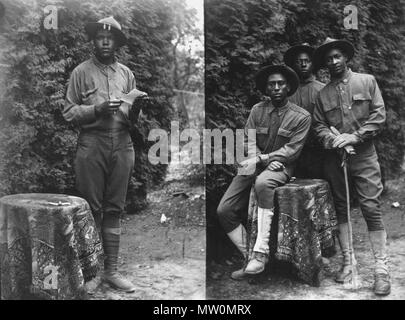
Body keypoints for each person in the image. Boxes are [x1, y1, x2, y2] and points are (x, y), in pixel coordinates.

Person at [63, 16, 147, 293]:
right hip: (92, 144)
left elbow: (135, 119)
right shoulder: (81, 72)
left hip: (122, 144)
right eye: (100, 37)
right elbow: (68, 112)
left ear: (117, 43)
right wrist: (96, 110)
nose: (105, 41)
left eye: (110, 38)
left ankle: (111, 271)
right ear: (94, 41)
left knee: (114, 208)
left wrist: (135, 108)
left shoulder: (126, 73)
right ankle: (93, 272)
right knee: (91, 209)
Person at [217, 65, 311, 279]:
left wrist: (266, 159)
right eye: (272, 84)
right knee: (224, 210)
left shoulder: (301, 117)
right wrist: (261, 160)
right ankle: (250, 257)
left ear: (288, 87)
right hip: (255, 163)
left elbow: (292, 150)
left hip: (282, 167)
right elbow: (248, 140)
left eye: (281, 84)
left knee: (263, 183)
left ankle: (261, 254)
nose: (276, 88)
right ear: (266, 89)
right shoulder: (257, 110)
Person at [312, 37, 390, 296]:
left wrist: (355, 136)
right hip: (336, 159)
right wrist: (333, 139)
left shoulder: (366, 81)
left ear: (346, 57)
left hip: (364, 155)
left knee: (370, 206)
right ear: (324, 63)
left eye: (337, 56)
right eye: (329, 58)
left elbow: (379, 116)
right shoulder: (322, 94)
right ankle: (348, 262)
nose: (333, 62)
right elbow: (319, 125)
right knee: (341, 207)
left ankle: (381, 269)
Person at [284, 43, 325, 178]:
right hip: (292, 149)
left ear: (313, 64)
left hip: (318, 150)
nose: (303, 65)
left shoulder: (323, 89)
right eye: (298, 62)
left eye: (307, 61)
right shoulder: (287, 92)